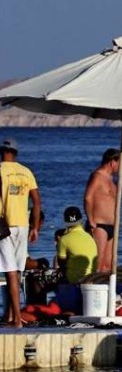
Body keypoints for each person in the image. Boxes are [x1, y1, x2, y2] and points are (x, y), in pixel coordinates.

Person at [1, 137, 42, 328]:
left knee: (10, 273)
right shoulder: (26, 172)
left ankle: (17, 318)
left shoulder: (0, 170)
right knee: (17, 271)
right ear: (16, 153)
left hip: (4, 225)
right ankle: (10, 316)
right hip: (23, 226)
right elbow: (36, 201)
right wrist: (34, 227)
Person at [83, 147, 120, 273]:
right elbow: (88, 197)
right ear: (112, 162)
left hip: (112, 226)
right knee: (98, 263)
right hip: (99, 225)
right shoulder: (97, 176)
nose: (120, 167)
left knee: (108, 266)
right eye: (119, 164)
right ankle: (92, 288)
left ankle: (104, 291)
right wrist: (91, 219)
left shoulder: (111, 180)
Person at [55, 206, 98, 284]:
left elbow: (61, 263)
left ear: (65, 221)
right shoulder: (90, 237)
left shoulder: (64, 239)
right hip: (92, 277)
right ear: (80, 220)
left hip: (74, 279)